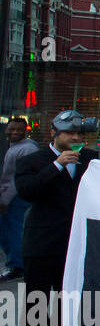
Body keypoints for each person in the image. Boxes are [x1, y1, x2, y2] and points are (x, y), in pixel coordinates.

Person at [14, 110, 100, 326]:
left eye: (79, 134)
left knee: (70, 294)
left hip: (77, 239)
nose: (75, 138)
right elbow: (28, 191)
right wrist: (57, 165)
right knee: (37, 297)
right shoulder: (33, 160)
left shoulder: (90, 159)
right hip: (42, 239)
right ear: (54, 133)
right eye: (69, 133)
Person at [0, 117, 40, 282]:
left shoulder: (27, 149)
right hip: (11, 196)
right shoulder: (15, 147)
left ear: (26, 131)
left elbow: (17, 179)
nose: (15, 132)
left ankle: (17, 267)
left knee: (13, 232)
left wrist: (5, 201)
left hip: (16, 198)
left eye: (19, 129)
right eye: (12, 129)